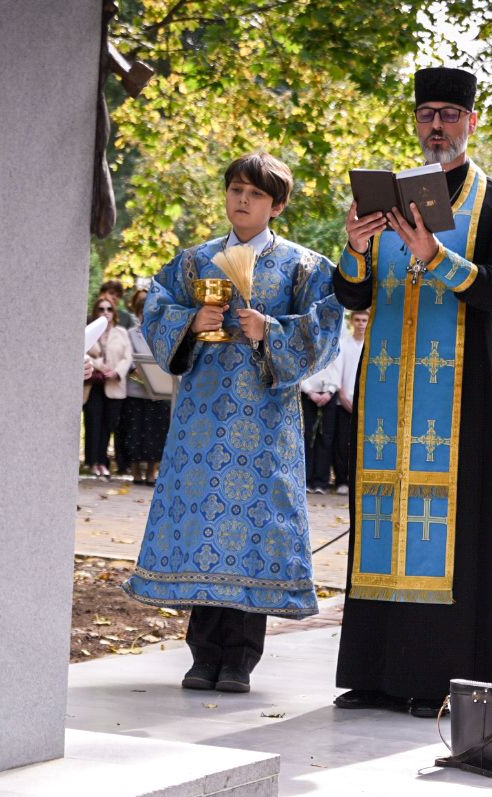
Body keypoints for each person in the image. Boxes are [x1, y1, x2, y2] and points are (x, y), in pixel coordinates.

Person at [331, 65, 492, 717]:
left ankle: (444, 678)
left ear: (472, 121)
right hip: (389, 387)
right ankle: (375, 672)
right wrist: (356, 248)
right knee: (383, 521)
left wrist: (435, 255)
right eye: (426, 114)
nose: (436, 125)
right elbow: (353, 294)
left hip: (460, 397)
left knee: (455, 532)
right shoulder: (384, 196)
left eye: (449, 113)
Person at [124, 151, 344, 694]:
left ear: (278, 205)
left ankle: (240, 658)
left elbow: (325, 323)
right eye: (235, 191)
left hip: (265, 422)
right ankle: (203, 656)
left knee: (254, 528)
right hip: (202, 419)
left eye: (256, 194)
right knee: (203, 527)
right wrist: (188, 320)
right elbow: (155, 306)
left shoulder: (303, 266)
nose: (242, 201)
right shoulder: (196, 261)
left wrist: (270, 328)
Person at [120, 293, 170, 486]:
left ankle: (151, 472)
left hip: (159, 393)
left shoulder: (162, 332)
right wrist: (141, 371)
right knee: (135, 432)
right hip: (135, 391)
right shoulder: (131, 333)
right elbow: (128, 358)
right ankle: (135, 472)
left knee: (156, 434)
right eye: (143, 311)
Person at [83, 298, 133, 479]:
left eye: (109, 309)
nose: (106, 312)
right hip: (94, 385)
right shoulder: (90, 331)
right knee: (93, 424)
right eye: (101, 309)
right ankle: (92, 462)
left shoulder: (121, 332)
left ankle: (103, 462)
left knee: (108, 425)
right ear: (96, 311)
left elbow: (127, 357)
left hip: (114, 385)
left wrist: (116, 372)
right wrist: (99, 366)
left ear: (115, 312)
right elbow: (84, 351)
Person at [332, 309, 368, 496]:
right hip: (344, 401)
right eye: (358, 320)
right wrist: (344, 397)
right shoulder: (344, 344)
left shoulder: (370, 345)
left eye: (364, 320)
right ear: (352, 321)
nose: (361, 323)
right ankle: (341, 480)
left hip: (365, 403)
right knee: (341, 443)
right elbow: (339, 372)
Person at [299, 345, 341, 494]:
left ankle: (321, 481)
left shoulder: (334, 342)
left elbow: (337, 370)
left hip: (328, 394)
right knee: (308, 436)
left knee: (326, 437)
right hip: (308, 393)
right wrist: (309, 391)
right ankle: (306, 479)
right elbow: (301, 368)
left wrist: (329, 391)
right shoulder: (306, 339)